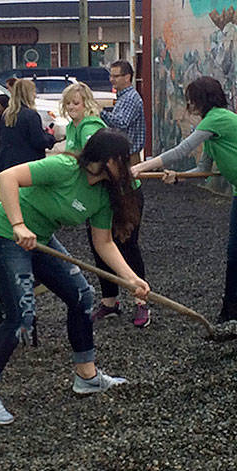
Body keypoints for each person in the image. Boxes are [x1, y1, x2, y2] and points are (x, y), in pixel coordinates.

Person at [0, 129, 149, 426]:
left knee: (82, 296)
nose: (128, 167)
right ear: (105, 160)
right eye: (123, 161)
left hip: (40, 239)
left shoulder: (103, 194)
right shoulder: (64, 168)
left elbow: (104, 243)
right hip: (8, 236)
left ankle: (86, 376)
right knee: (21, 317)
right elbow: (6, 178)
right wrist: (18, 224)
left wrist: (130, 279)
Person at [133, 76, 237, 324]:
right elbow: (203, 171)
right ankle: (229, 310)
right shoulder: (210, 131)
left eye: (192, 100)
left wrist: (140, 167)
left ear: (203, 100)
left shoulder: (218, 118)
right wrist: (178, 177)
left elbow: (181, 151)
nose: (190, 105)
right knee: (234, 251)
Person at [70, 75, 151, 328]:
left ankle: (141, 301)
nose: (72, 108)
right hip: (100, 193)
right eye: (69, 104)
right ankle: (110, 302)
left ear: (87, 105)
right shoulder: (74, 126)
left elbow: (92, 158)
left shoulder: (91, 127)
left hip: (124, 193)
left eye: (76, 104)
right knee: (99, 245)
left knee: (126, 245)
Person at [0, 78, 55, 176]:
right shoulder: (31, 115)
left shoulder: (7, 114)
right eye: (34, 92)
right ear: (28, 94)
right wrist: (50, 136)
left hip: (7, 163)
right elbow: (39, 141)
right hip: (28, 165)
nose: (35, 95)